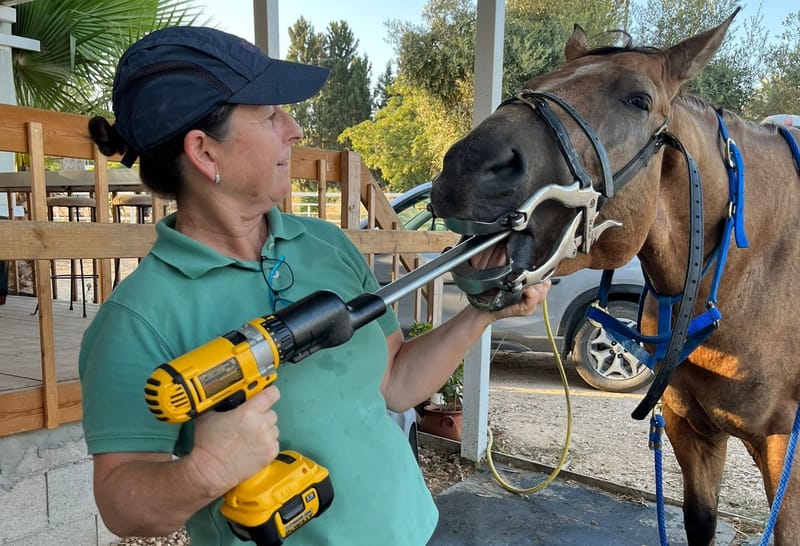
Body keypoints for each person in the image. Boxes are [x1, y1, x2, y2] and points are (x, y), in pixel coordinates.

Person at [80, 26, 550, 546]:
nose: (295, 128)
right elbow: (120, 504)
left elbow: (393, 382)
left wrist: (483, 311)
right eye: (268, 114)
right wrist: (201, 474)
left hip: (414, 530)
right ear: (204, 153)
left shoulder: (325, 245)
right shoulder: (139, 317)